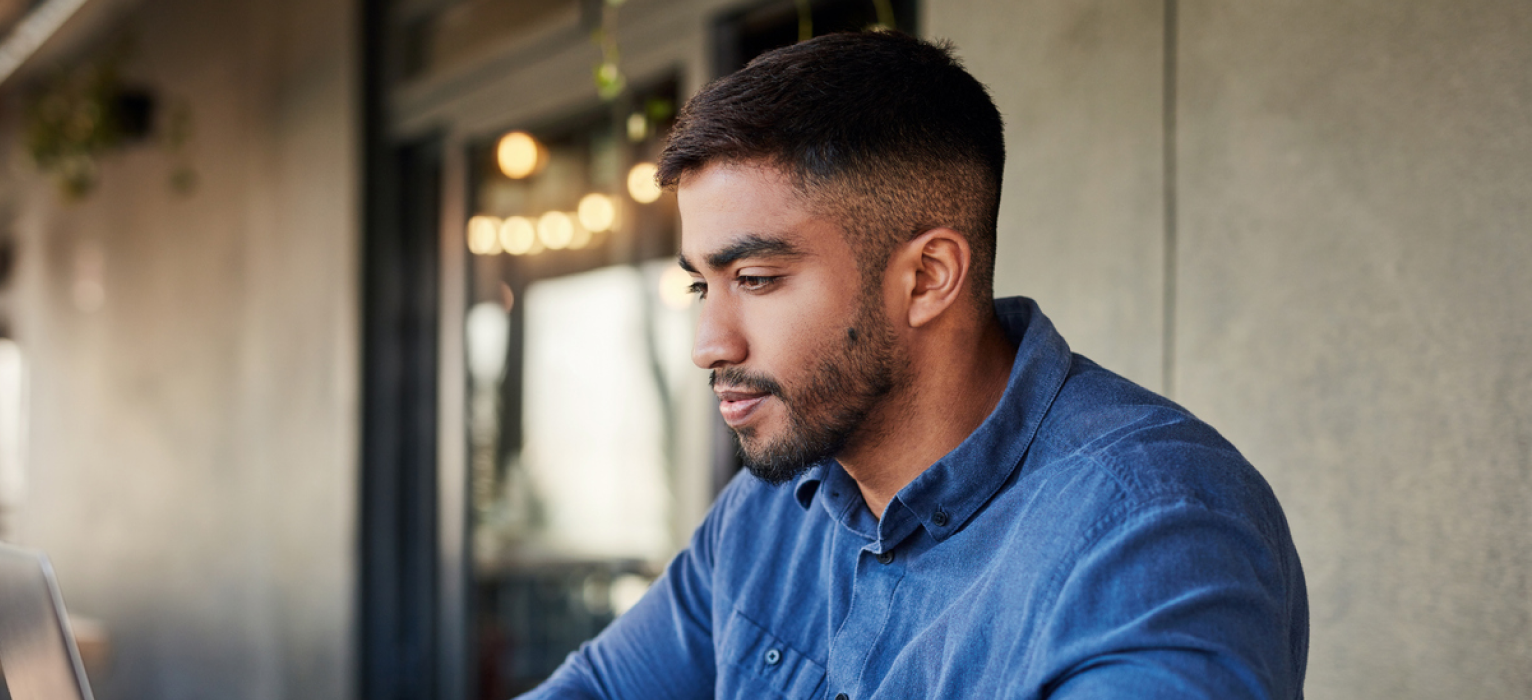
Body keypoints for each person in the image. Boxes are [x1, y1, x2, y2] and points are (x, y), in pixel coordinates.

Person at [520, 30, 1308, 699]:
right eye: (703, 284)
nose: (708, 343)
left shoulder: (1154, 531)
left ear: (928, 277)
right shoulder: (772, 510)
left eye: (754, 280)